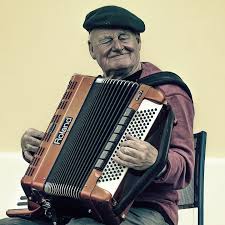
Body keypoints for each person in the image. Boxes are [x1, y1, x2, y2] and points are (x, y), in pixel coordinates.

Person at [0, 5, 194, 225]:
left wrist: (155, 161)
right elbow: (68, 153)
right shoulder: (86, 94)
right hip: (79, 206)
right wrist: (39, 149)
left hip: (145, 208)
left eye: (124, 38)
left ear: (138, 43)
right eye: (106, 40)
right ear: (92, 50)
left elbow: (186, 167)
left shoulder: (167, 91)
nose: (118, 46)